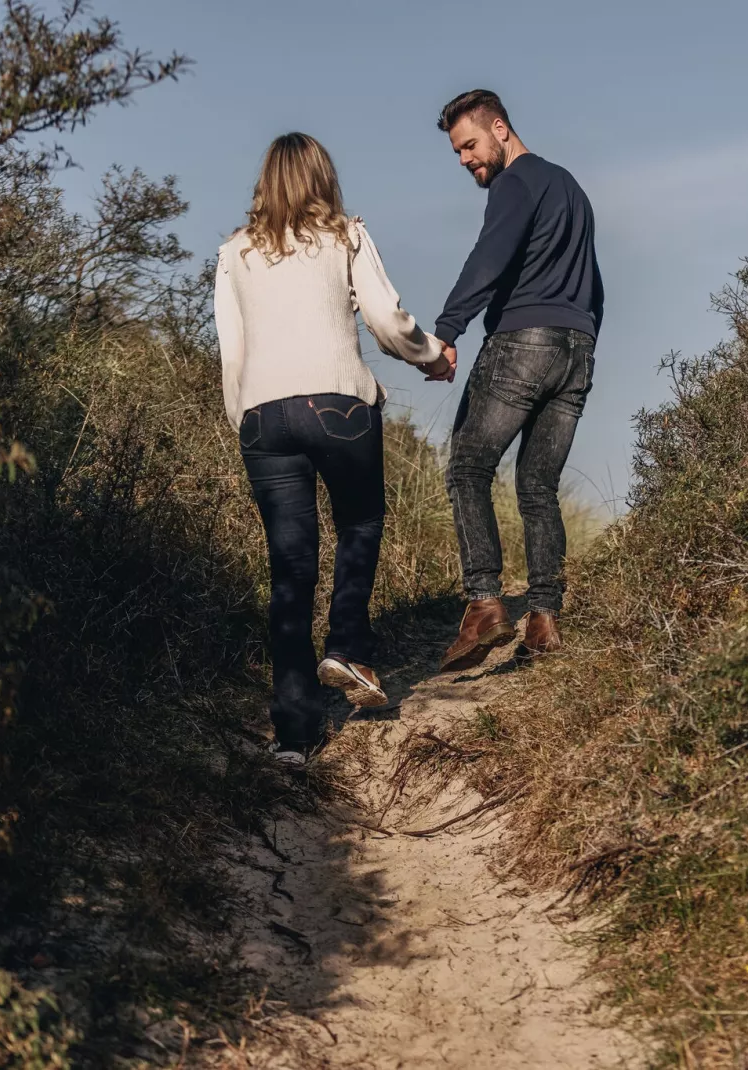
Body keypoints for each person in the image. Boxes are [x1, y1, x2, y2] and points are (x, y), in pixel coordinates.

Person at [215, 132, 454, 766]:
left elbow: (231, 354)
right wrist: (431, 357)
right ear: (323, 176)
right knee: (360, 521)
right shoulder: (345, 235)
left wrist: (248, 418)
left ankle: (294, 737)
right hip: (338, 405)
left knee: (289, 570)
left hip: (263, 418)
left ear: (265, 180)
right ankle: (346, 647)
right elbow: (385, 317)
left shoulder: (234, 252)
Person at [431, 89, 603, 672]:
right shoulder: (570, 188)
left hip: (523, 344)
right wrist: (581, 342)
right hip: (577, 350)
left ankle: (484, 605)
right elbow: (593, 283)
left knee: (468, 466)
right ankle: (544, 621)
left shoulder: (517, 183)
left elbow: (490, 257)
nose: (464, 160)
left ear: (500, 129)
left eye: (470, 145)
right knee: (536, 487)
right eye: (457, 152)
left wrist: (445, 331)